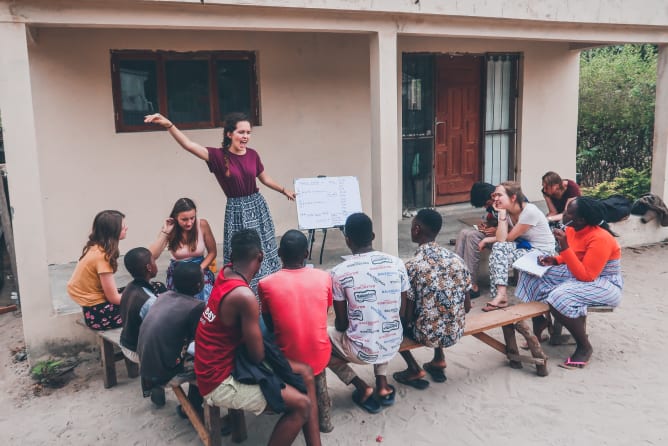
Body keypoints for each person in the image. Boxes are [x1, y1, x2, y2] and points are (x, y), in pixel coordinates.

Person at [143, 112, 295, 292]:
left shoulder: (253, 154)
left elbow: (264, 178)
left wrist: (284, 190)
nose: (245, 136)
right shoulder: (217, 156)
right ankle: (243, 291)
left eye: (248, 132)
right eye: (241, 132)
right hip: (236, 210)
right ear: (229, 134)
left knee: (263, 250)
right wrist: (169, 125)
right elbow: (189, 145)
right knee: (240, 255)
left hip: (258, 207)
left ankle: (267, 290)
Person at [195, 229, 320, 446]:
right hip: (217, 380)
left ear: (232, 257)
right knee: (301, 405)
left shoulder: (225, 273)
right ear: (260, 257)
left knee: (306, 372)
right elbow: (256, 355)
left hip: (219, 361)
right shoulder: (244, 296)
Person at [515, 197, 623, 368]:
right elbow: (576, 258)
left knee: (559, 296)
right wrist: (555, 260)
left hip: (602, 283)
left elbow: (587, 276)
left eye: (567, 213)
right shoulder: (572, 229)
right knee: (529, 273)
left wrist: (564, 247)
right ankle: (539, 321)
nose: (563, 215)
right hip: (576, 273)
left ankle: (584, 346)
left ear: (580, 219)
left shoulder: (600, 238)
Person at [327, 213, 409, 414]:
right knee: (380, 319)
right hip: (392, 342)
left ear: (347, 240)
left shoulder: (338, 272)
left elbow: (342, 325)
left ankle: (361, 386)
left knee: (316, 339)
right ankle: (382, 383)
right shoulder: (396, 263)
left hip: (360, 352)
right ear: (372, 236)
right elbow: (402, 311)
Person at [258, 229, 333, 434]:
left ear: (279, 253)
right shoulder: (324, 277)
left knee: (260, 325)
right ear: (307, 254)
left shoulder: (265, 284)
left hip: (288, 357)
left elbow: (270, 325)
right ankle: (323, 418)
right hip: (320, 355)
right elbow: (323, 312)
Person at [393, 209, 472, 389]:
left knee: (394, 324)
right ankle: (439, 358)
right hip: (455, 331)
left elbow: (408, 314)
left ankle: (413, 368)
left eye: (412, 226)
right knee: (437, 304)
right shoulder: (456, 259)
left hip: (426, 335)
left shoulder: (413, 266)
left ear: (417, 229)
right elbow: (467, 306)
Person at [137, 262, 206, 407]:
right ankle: (193, 408)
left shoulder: (164, 296)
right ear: (199, 285)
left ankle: (156, 383)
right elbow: (201, 341)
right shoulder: (196, 306)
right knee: (207, 364)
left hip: (145, 361)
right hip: (166, 369)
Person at [479, 182, 556, 312]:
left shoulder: (529, 211)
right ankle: (501, 295)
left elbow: (508, 238)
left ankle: (500, 296)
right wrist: (502, 215)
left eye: (499, 195)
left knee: (499, 249)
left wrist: (488, 238)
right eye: (494, 195)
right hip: (526, 248)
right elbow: (502, 239)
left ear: (513, 197)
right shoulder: (507, 212)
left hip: (543, 253)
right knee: (498, 248)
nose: (495, 199)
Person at [67, 210, 128, 330]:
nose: (126, 228)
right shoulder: (103, 257)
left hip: (94, 309)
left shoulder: (96, 248)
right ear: (113, 232)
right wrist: (140, 299)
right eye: (123, 227)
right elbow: (114, 298)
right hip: (99, 315)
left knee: (148, 288)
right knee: (150, 300)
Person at [149, 198, 217, 301]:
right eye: (184, 219)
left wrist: (199, 269)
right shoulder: (171, 229)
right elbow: (152, 256)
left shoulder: (202, 224)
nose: (189, 223)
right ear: (175, 217)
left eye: (192, 218)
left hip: (199, 270)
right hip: (178, 273)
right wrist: (165, 232)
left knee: (204, 304)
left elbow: (212, 252)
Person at [119, 247, 166, 363]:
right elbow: (162, 330)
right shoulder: (149, 301)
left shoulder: (130, 287)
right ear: (149, 268)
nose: (156, 264)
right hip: (138, 351)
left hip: (125, 342)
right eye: (153, 261)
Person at [454, 182, 498, 298]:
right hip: (497, 234)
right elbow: (494, 219)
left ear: (492, 195)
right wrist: (488, 225)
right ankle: (457, 278)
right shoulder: (493, 204)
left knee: (473, 236)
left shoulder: (508, 201)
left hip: (510, 238)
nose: (485, 207)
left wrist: (497, 230)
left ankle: (472, 285)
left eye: (486, 204)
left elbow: (517, 227)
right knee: (464, 232)